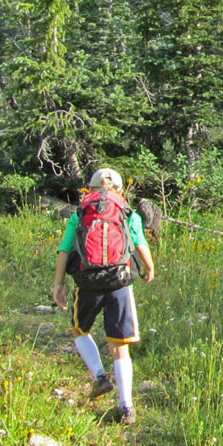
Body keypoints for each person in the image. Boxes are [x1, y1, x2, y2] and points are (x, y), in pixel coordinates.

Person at [52, 168, 158, 426]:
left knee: (79, 329)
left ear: (91, 189)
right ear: (120, 190)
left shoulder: (81, 214)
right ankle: (127, 407)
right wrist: (149, 266)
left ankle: (100, 376)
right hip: (119, 280)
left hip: (88, 280)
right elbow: (140, 241)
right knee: (119, 344)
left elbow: (65, 249)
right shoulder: (126, 212)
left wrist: (58, 285)